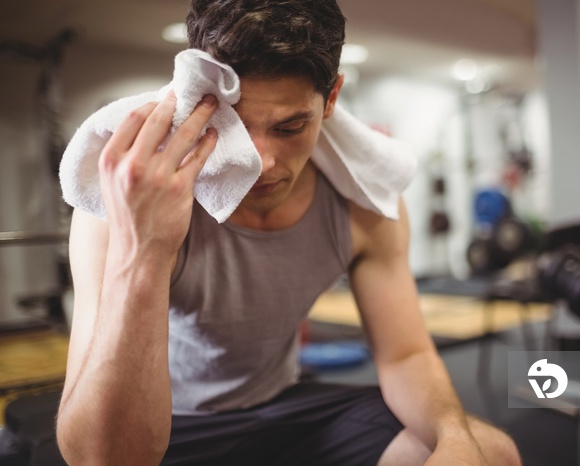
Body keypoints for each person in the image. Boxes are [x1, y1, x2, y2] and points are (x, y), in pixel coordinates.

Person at [56, 0, 521, 464]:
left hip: (287, 407)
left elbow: (406, 356)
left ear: (331, 98)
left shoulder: (365, 204)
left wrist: (453, 436)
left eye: (290, 126)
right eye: (234, 126)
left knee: (491, 453)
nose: (262, 162)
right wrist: (145, 250)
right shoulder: (121, 206)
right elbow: (101, 459)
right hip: (169, 424)